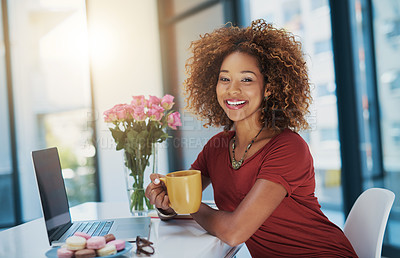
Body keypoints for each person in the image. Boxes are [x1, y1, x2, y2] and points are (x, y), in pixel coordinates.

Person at [145, 19, 357, 257]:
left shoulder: (288, 147)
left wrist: (187, 203)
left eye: (246, 79)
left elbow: (235, 232)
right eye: (224, 79)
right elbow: (184, 200)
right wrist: (165, 199)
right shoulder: (217, 146)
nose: (232, 90)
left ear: (269, 88)